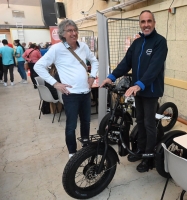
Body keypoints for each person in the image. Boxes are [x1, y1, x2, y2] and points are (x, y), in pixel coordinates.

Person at [100, 10, 168, 173]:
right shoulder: (137, 43)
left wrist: (139, 84)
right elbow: (126, 63)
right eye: (143, 22)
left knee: (149, 124)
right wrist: (111, 76)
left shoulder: (160, 42)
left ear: (154, 23)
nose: (146, 25)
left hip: (150, 90)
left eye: (149, 21)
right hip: (138, 90)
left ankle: (149, 156)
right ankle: (141, 150)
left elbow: (154, 68)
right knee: (140, 122)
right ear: (140, 24)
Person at [34, 19, 99, 159]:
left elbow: (94, 61)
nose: (73, 33)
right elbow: (38, 66)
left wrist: (92, 76)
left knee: (86, 122)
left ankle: (86, 148)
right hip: (71, 95)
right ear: (63, 34)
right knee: (71, 126)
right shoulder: (57, 49)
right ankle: (72, 153)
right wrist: (55, 83)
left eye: (75, 30)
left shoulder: (83, 46)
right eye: (70, 31)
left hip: (86, 93)